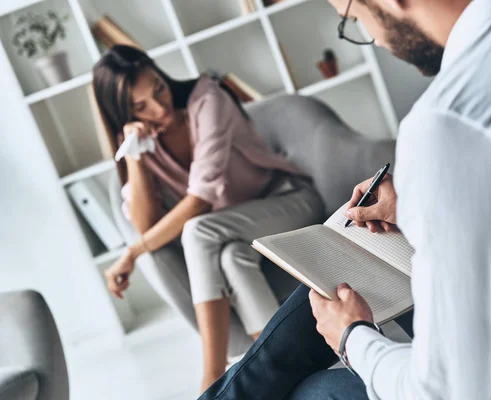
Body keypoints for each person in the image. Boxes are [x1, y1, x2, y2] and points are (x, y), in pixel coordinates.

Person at [198, 0, 491, 398]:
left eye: (355, 20)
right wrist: (424, 202)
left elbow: (450, 393)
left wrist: (351, 338)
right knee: (324, 293)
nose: (372, 38)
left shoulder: (450, 122)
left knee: (312, 391)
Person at [92, 45, 324, 391]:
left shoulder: (207, 98)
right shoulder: (142, 140)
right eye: (141, 106)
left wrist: (131, 253)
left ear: (162, 74)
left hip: (289, 202)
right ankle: (281, 371)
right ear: (124, 113)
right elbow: (145, 225)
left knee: (198, 230)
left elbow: (200, 202)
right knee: (231, 257)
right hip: (235, 235)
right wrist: (136, 157)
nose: (160, 106)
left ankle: (212, 377)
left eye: (158, 87)